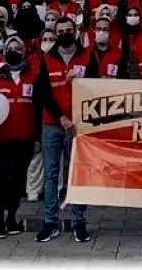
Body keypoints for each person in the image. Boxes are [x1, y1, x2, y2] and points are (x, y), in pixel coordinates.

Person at [35, 18, 97, 243]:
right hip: (52, 123)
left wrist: (81, 82)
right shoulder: (46, 58)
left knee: (78, 173)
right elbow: (42, 92)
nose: (64, 34)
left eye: (68, 30)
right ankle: (50, 221)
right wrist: (61, 117)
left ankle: (78, 220)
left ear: (74, 31)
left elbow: (96, 88)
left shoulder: (88, 56)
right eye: (60, 31)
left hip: (78, 125)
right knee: (51, 173)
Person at [0, 36, 38, 238]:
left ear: (23, 52)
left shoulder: (33, 75)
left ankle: (11, 217)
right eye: (10, 48)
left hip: (24, 136)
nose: (14, 51)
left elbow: (38, 109)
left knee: (18, 180)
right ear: (5, 52)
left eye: (17, 48)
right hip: (0, 138)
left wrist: (37, 138)